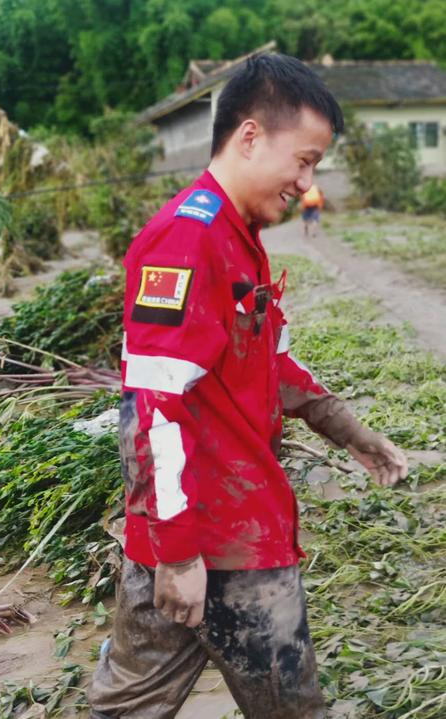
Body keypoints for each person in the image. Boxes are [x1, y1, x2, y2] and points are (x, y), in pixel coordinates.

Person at [88, 54, 408, 719]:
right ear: (251, 136)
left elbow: (276, 367)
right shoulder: (188, 239)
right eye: (304, 159)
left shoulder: (241, 240)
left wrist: (355, 434)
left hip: (209, 538)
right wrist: (177, 556)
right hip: (215, 546)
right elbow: (151, 406)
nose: (306, 180)